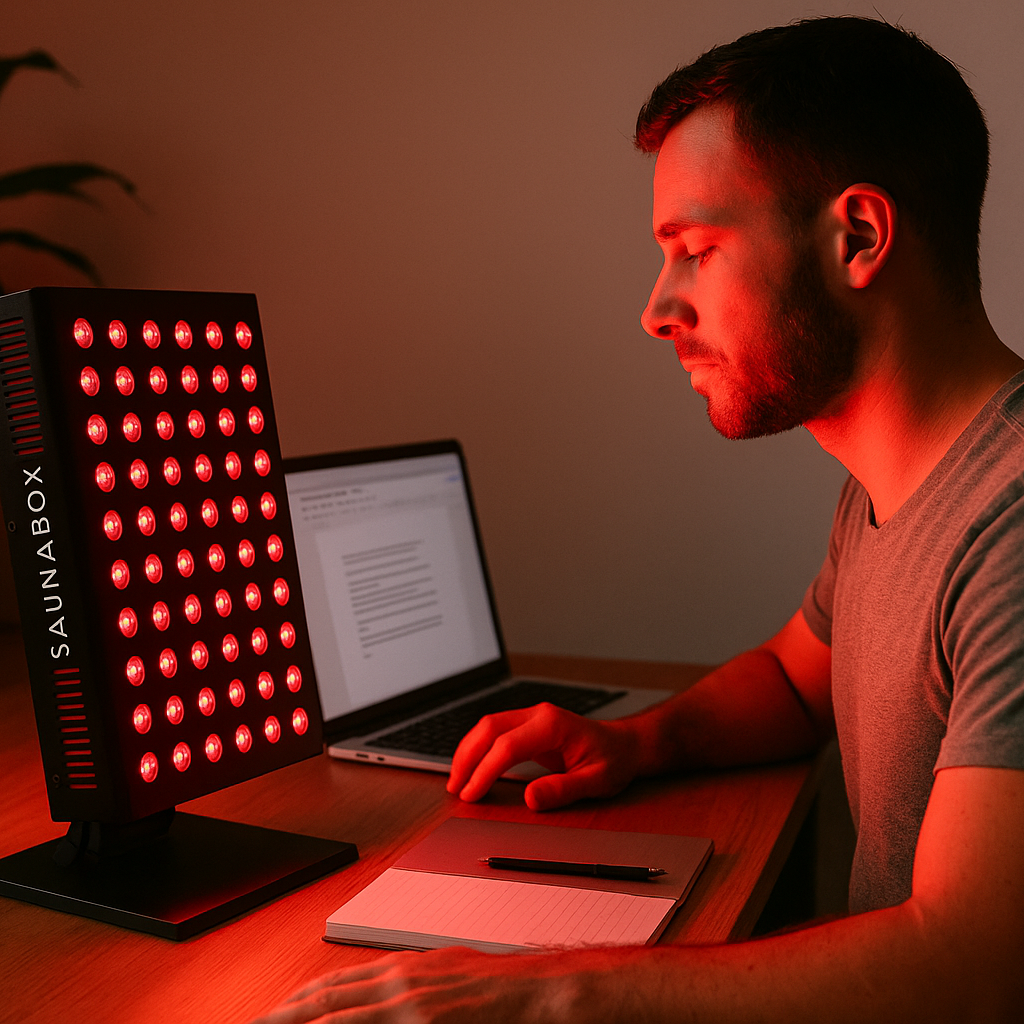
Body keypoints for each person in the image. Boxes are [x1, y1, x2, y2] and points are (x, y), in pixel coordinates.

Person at [253, 17, 1024, 1022]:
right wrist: (640, 743)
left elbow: (967, 965)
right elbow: (799, 679)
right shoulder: (891, 488)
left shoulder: (1006, 526)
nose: (657, 308)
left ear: (858, 237)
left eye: (695, 250)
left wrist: (547, 989)